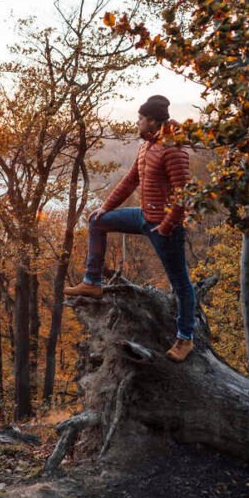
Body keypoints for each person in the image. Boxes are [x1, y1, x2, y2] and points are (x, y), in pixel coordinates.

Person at [65, 95, 196, 362]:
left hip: (164, 226)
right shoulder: (146, 147)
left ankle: (185, 338)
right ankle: (92, 282)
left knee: (180, 282)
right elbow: (130, 181)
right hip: (144, 217)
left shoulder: (173, 149)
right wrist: (105, 207)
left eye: (139, 118)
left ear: (152, 121)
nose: (136, 122)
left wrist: (167, 225)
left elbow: (185, 194)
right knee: (96, 222)